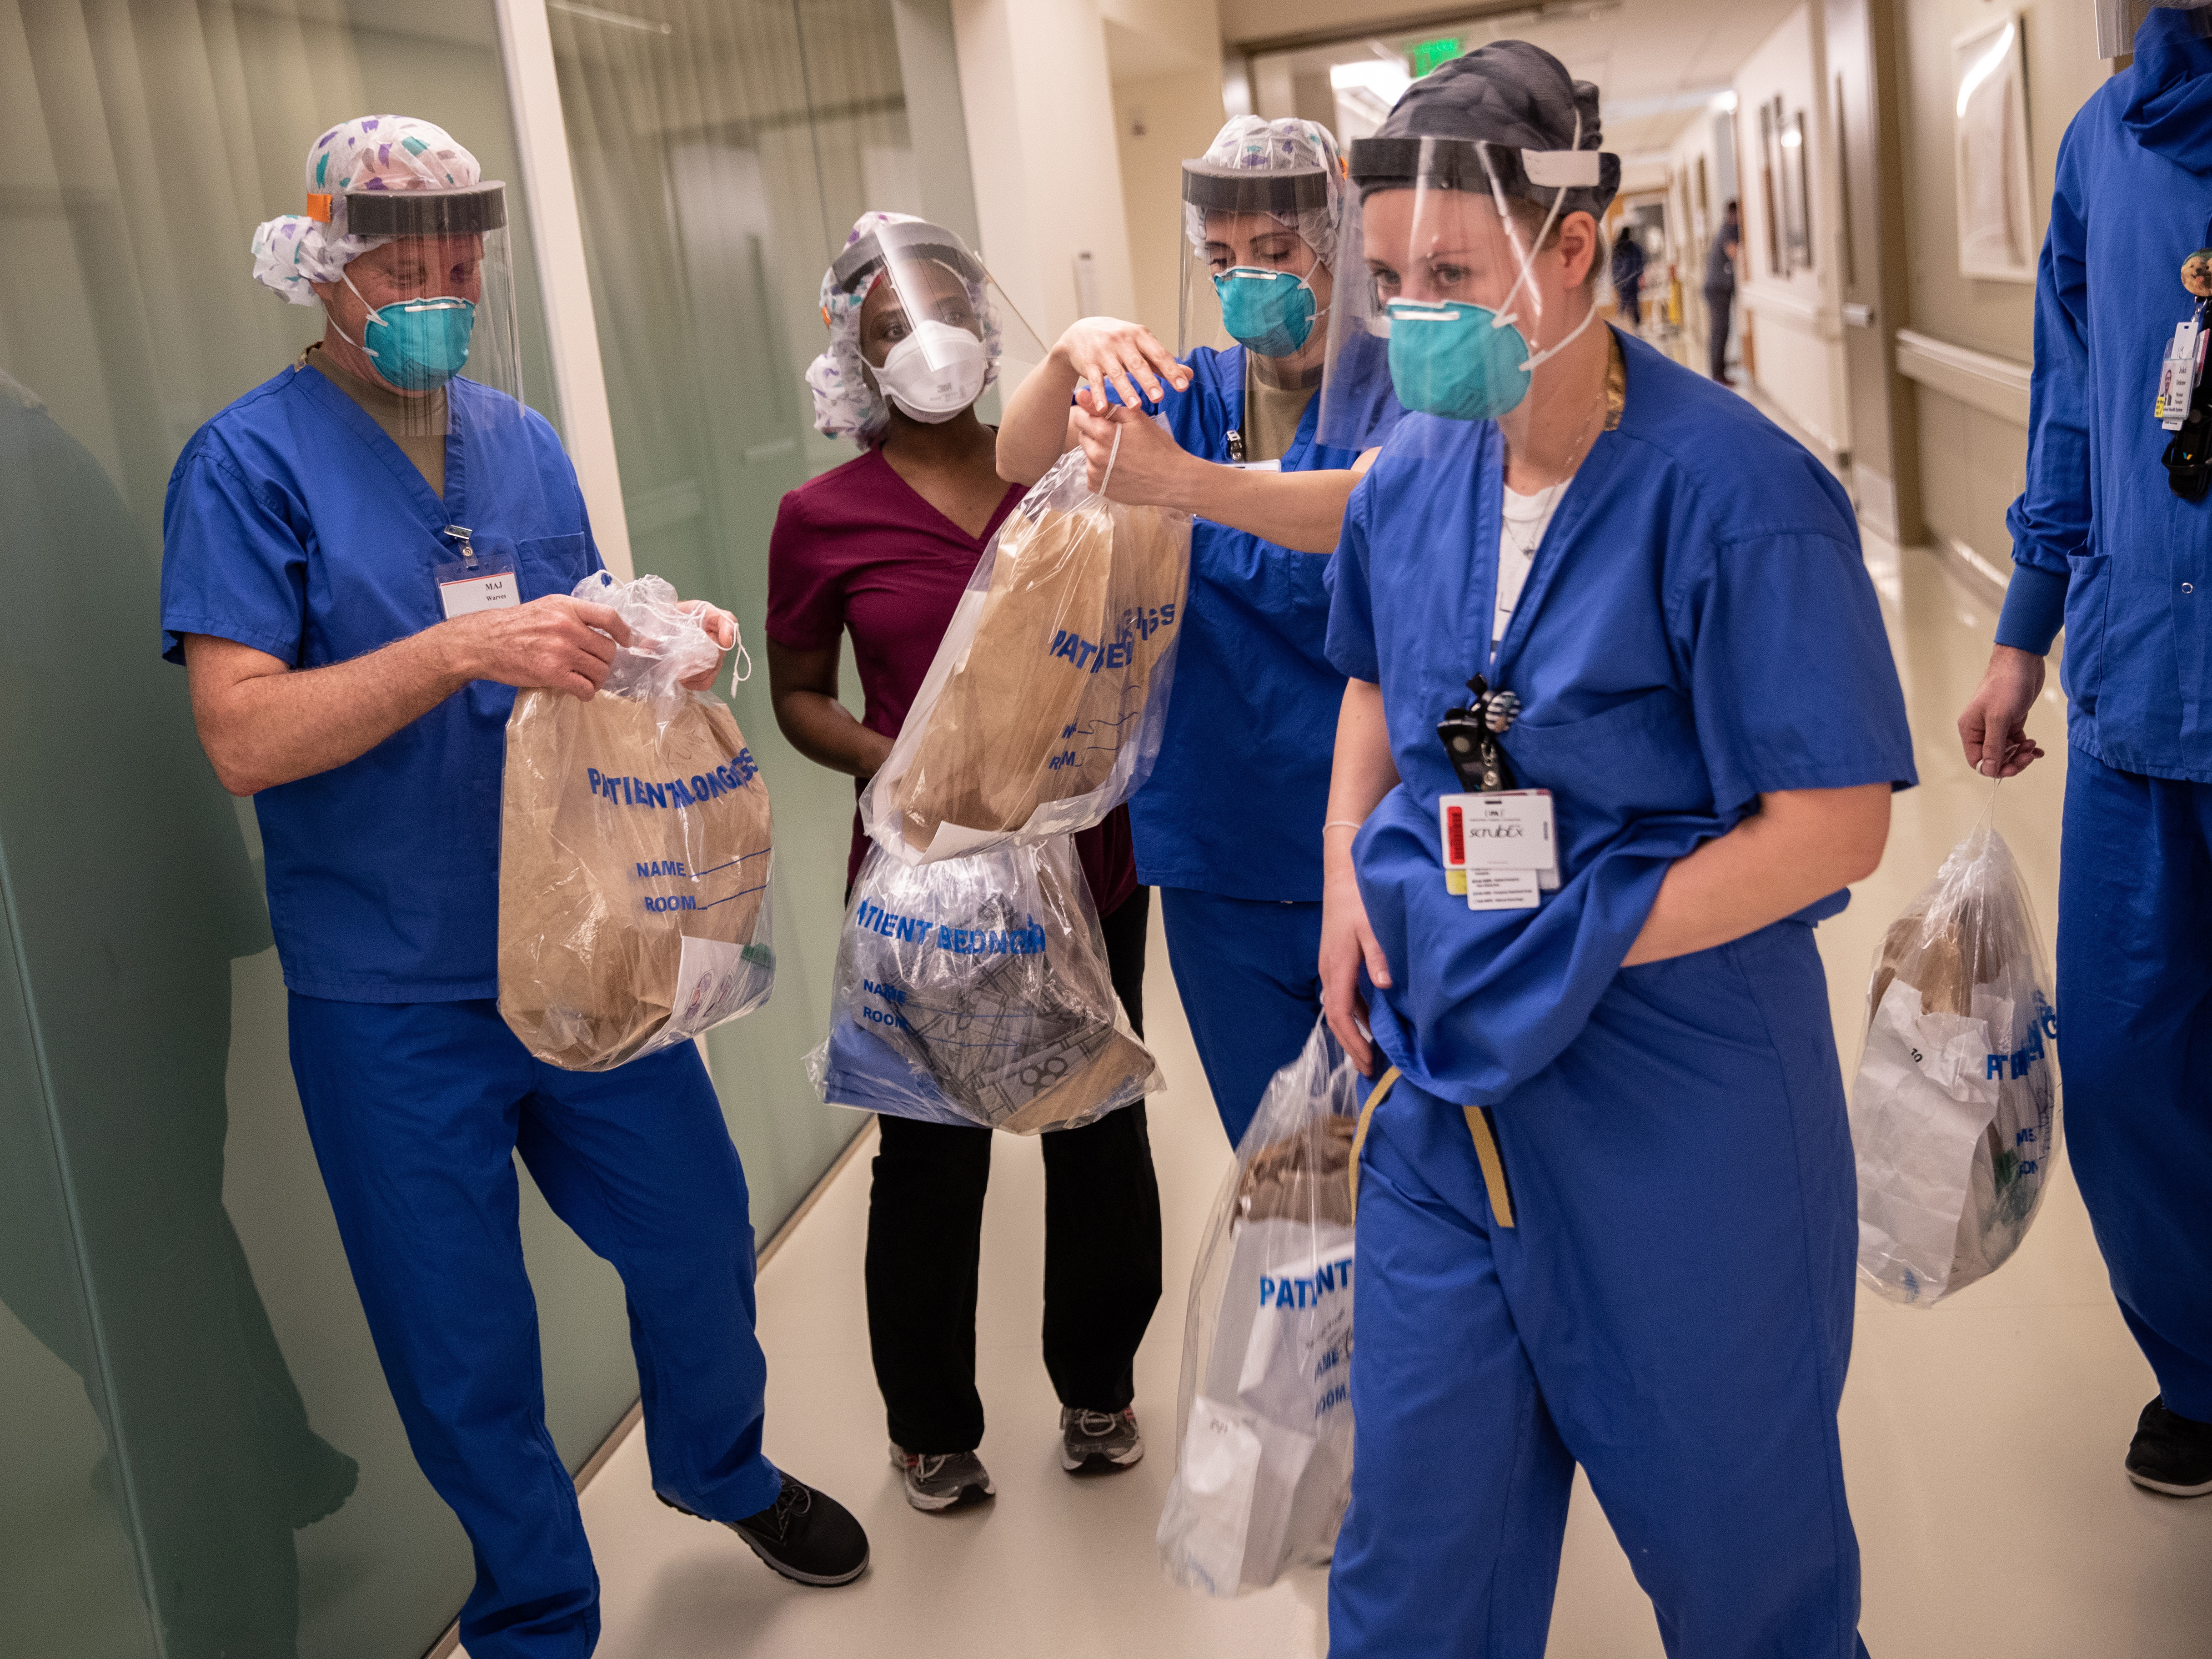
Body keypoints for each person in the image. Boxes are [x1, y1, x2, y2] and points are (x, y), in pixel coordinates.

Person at [160, 116, 868, 1656]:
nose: (442, 290)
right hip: (390, 985)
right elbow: (237, 734)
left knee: (692, 1230)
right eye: (406, 265)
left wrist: (663, 632)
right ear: (326, 270)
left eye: (463, 265)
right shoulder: (246, 463)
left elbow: (579, 633)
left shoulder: (521, 437)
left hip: (586, 939)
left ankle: (718, 1465)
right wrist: (456, 649)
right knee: (463, 1338)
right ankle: (537, 1611)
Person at [1313, 48, 1914, 1655]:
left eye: (1450, 272)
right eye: (1389, 281)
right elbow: (1374, 667)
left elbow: (1833, 823)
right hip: (1449, 1101)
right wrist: (1334, 877)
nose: (1412, 314)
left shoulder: (1734, 492)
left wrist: (1577, 933)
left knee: (1742, 1572)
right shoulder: (1414, 469)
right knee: (1409, 1572)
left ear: (1573, 245)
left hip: (1678, 1091)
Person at [767, 212, 1161, 1512]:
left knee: (1096, 1135)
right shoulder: (819, 518)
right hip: (925, 887)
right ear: (854, 357)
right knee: (930, 1158)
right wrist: (910, 768)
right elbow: (796, 694)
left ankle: (1098, 1384)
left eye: (942, 316)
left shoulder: (1067, 477)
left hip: (1083, 866)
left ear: (990, 334)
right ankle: (930, 1424)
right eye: (889, 330)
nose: (924, 344)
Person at [997, 116, 1399, 1147]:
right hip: (1220, 853)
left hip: (1375, 847)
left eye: (1276, 251)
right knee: (1283, 1171)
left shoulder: (1403, 389)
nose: (1248, 280)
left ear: (1341, 243)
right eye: (1221, 259)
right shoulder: (1199, 391)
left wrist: (1183, 485)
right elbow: (1018, 458)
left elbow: (1375, 505)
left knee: (1410, 1169)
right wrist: (1069, 356)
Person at [1957, 0, 2212, 1499]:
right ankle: (2197, 1360)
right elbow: (2071, 403)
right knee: (2119, 1066)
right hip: (2132, 685)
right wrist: (2021, 631)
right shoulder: (2100, 146)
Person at [1705, 198, 1741, 381]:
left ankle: (1719, 372)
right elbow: (1734, 253)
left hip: (1720, 287)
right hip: (1718, 288)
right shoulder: (1728, 230)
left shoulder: (1728, 229)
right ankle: (1718, 375)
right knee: (1720, 330)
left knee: (1722, 330)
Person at [1609, 221, 1645, 330]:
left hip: (1622, 282)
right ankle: (1637, 328)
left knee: (1623, 305)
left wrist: (1616, 281)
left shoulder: (1617, 248)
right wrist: (1639, 276)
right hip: (1632, 282)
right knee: (1634, 304)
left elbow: (1614, 266)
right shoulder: (1634, 247)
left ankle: (1621, 330)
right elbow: (1641, 262)